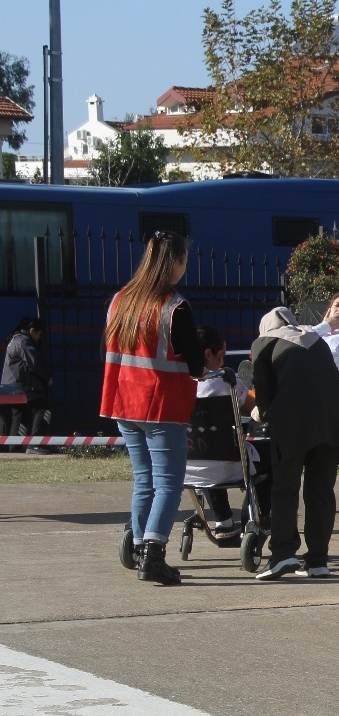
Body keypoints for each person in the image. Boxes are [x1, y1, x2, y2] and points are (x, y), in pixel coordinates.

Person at [101, 230, 206, 585]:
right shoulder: (175, 306)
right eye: (184, 261)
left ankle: (136, 544)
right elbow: (193, 362)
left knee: (144, 479)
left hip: (122, 401)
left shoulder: (120, 300)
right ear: (174, 263)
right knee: (168, 483)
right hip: (161, 404)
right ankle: (154, 553)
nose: (184, 268)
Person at [250, 307, 339, 580]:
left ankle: (283, 554)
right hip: (333, 421)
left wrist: (260, 411)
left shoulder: (264, 342)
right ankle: (318, 559)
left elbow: (263, 391)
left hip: (294, 422)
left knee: (285, 488)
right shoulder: (315, 339)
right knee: (320, 490)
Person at [182, 326, 260, 536]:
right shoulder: (227, 382)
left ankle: (224, 521)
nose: (223, 361)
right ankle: (256, 518)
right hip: (227, 459)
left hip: (184, 463)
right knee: (264, 459)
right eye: (222, 355)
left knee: (208, 460)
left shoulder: (175, 382)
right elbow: (252, 407)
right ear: (208, 354)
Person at [3, 317, 52, 448]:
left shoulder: (14, 339)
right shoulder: (24, 341)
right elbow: (34, 363)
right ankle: (36, 445)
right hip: (20, 388)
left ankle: (14, 449)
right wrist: (47, 378)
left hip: (9, 389)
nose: (39, 338)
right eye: (39, 334)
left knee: (20, 418)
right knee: (44, 409)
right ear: (32, 331)